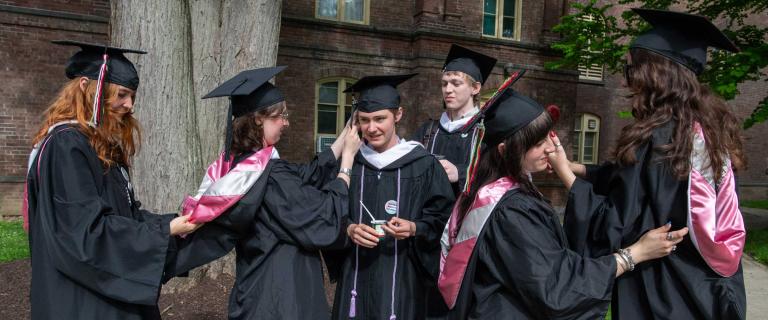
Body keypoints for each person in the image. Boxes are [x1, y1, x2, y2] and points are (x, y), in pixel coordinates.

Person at [548, 8, 747, 320]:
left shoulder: (654, 138)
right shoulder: (705, 130)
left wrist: (563, 174)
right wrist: (580, 168)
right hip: (706, 289)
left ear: (655, 74)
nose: (626, 81)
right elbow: (639, 184)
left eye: (631, 71)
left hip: (661, 289)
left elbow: (614, 223)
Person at [438, 77, 688, 319]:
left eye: (549, 135)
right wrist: (636, 253)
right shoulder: (511, 211)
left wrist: (569, 168)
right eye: (538, 142)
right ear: (506, 151)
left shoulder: (487, 192)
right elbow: (558, 285)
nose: (550, 147)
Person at [165, 66, 362, 320]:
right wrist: (346, 164)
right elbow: (322, 214)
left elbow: (302, 175)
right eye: (280, 115)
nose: (286, 122)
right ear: (259, 119)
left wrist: (343, 137)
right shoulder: (269, 177)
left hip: (255, 288)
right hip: (284, 296)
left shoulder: (238, 167)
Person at [23, 40, 199, 320]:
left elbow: (122, 214)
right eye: (122, 94)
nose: (129, 105)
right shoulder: (66, 146)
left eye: (132, 97)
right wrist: (163, 231)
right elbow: (84, 233)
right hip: (83, 300)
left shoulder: (97, 145)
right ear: (86, 87)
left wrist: (174, 224)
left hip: (104, 294)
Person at [327, 74, 455, 320]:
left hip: (404, 279)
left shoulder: (423, 164)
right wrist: (349, 229)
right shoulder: (348, 163)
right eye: (364, 120)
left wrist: (416, 227)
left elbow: (444, 219)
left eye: (379, 119)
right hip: (355, 277)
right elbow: (327, 213)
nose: (371, 128)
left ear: (398, 115)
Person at [412, 44, 497, 195]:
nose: (448, 90)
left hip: (467, 213)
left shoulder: (488, 132)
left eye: (456, 84)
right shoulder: (428, 131)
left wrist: (460, 173)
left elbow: (498, 176)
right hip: (428, 215)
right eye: (444, 83)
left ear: (475, 88)